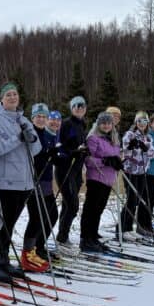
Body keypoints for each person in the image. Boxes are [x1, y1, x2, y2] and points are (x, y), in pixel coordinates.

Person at [0, 82, 41, 282]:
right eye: (8, 95)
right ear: (1, 99)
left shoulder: (23, 120)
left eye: (15, 94)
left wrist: (31, 139)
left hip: (24, 181)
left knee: (11, 222)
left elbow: (36, 149)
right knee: (4, 223)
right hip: (3, 181)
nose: (12, 98)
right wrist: (17, 138)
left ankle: (3, 259)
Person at [20, 103, 57, 271]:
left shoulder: (48, 134)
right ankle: (27, 254)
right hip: (33, 181)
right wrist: (45, 155)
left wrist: (57, 154)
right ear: (33, 118)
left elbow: (52, 154)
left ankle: (37, 247)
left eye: (44, 116)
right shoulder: (31, 133)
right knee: (36, 218)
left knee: (51, 214)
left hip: (47, 181)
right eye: (38, 116)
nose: (41, 119)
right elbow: (30, 155)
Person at [80, 112, 122, 252]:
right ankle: (85, 238)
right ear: (98, 124)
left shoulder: (114, 139)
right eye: (103, 123)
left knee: (99, 209)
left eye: (109, 123)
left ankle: (93, 236)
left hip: (108, 180)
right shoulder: (93, 138)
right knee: (91, 209)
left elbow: (116, 156)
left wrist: (118, 162)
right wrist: (105, 161)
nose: (106, 125)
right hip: (96, 178)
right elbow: (88, 160)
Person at [55, 96, 88, 243]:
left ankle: (63, 235)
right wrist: (72, 152)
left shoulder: (82, 125)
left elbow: (81, 146)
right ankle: (62, 237)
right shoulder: (66, 124)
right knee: (73, 205)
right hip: (65, 170)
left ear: (85, 109)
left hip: (77, 170)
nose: (79, 108)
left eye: (82, 105)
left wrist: (85, 151)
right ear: (72, 108)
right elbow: (59, 146)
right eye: (76, 106)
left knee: (68, 205)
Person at [119, 111, 154, 240]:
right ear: (136, 122)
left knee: (136, 201)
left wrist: (145, 148)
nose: (142, 124)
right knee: (130, 199)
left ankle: (129, 228)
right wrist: (131, 146)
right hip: (130, 171)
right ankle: (123, 228)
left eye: (144, 121)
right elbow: (125, 151)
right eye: (139, 121)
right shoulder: (130, 134)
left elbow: (152, 154)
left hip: (142, 172)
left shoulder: (148, 137)